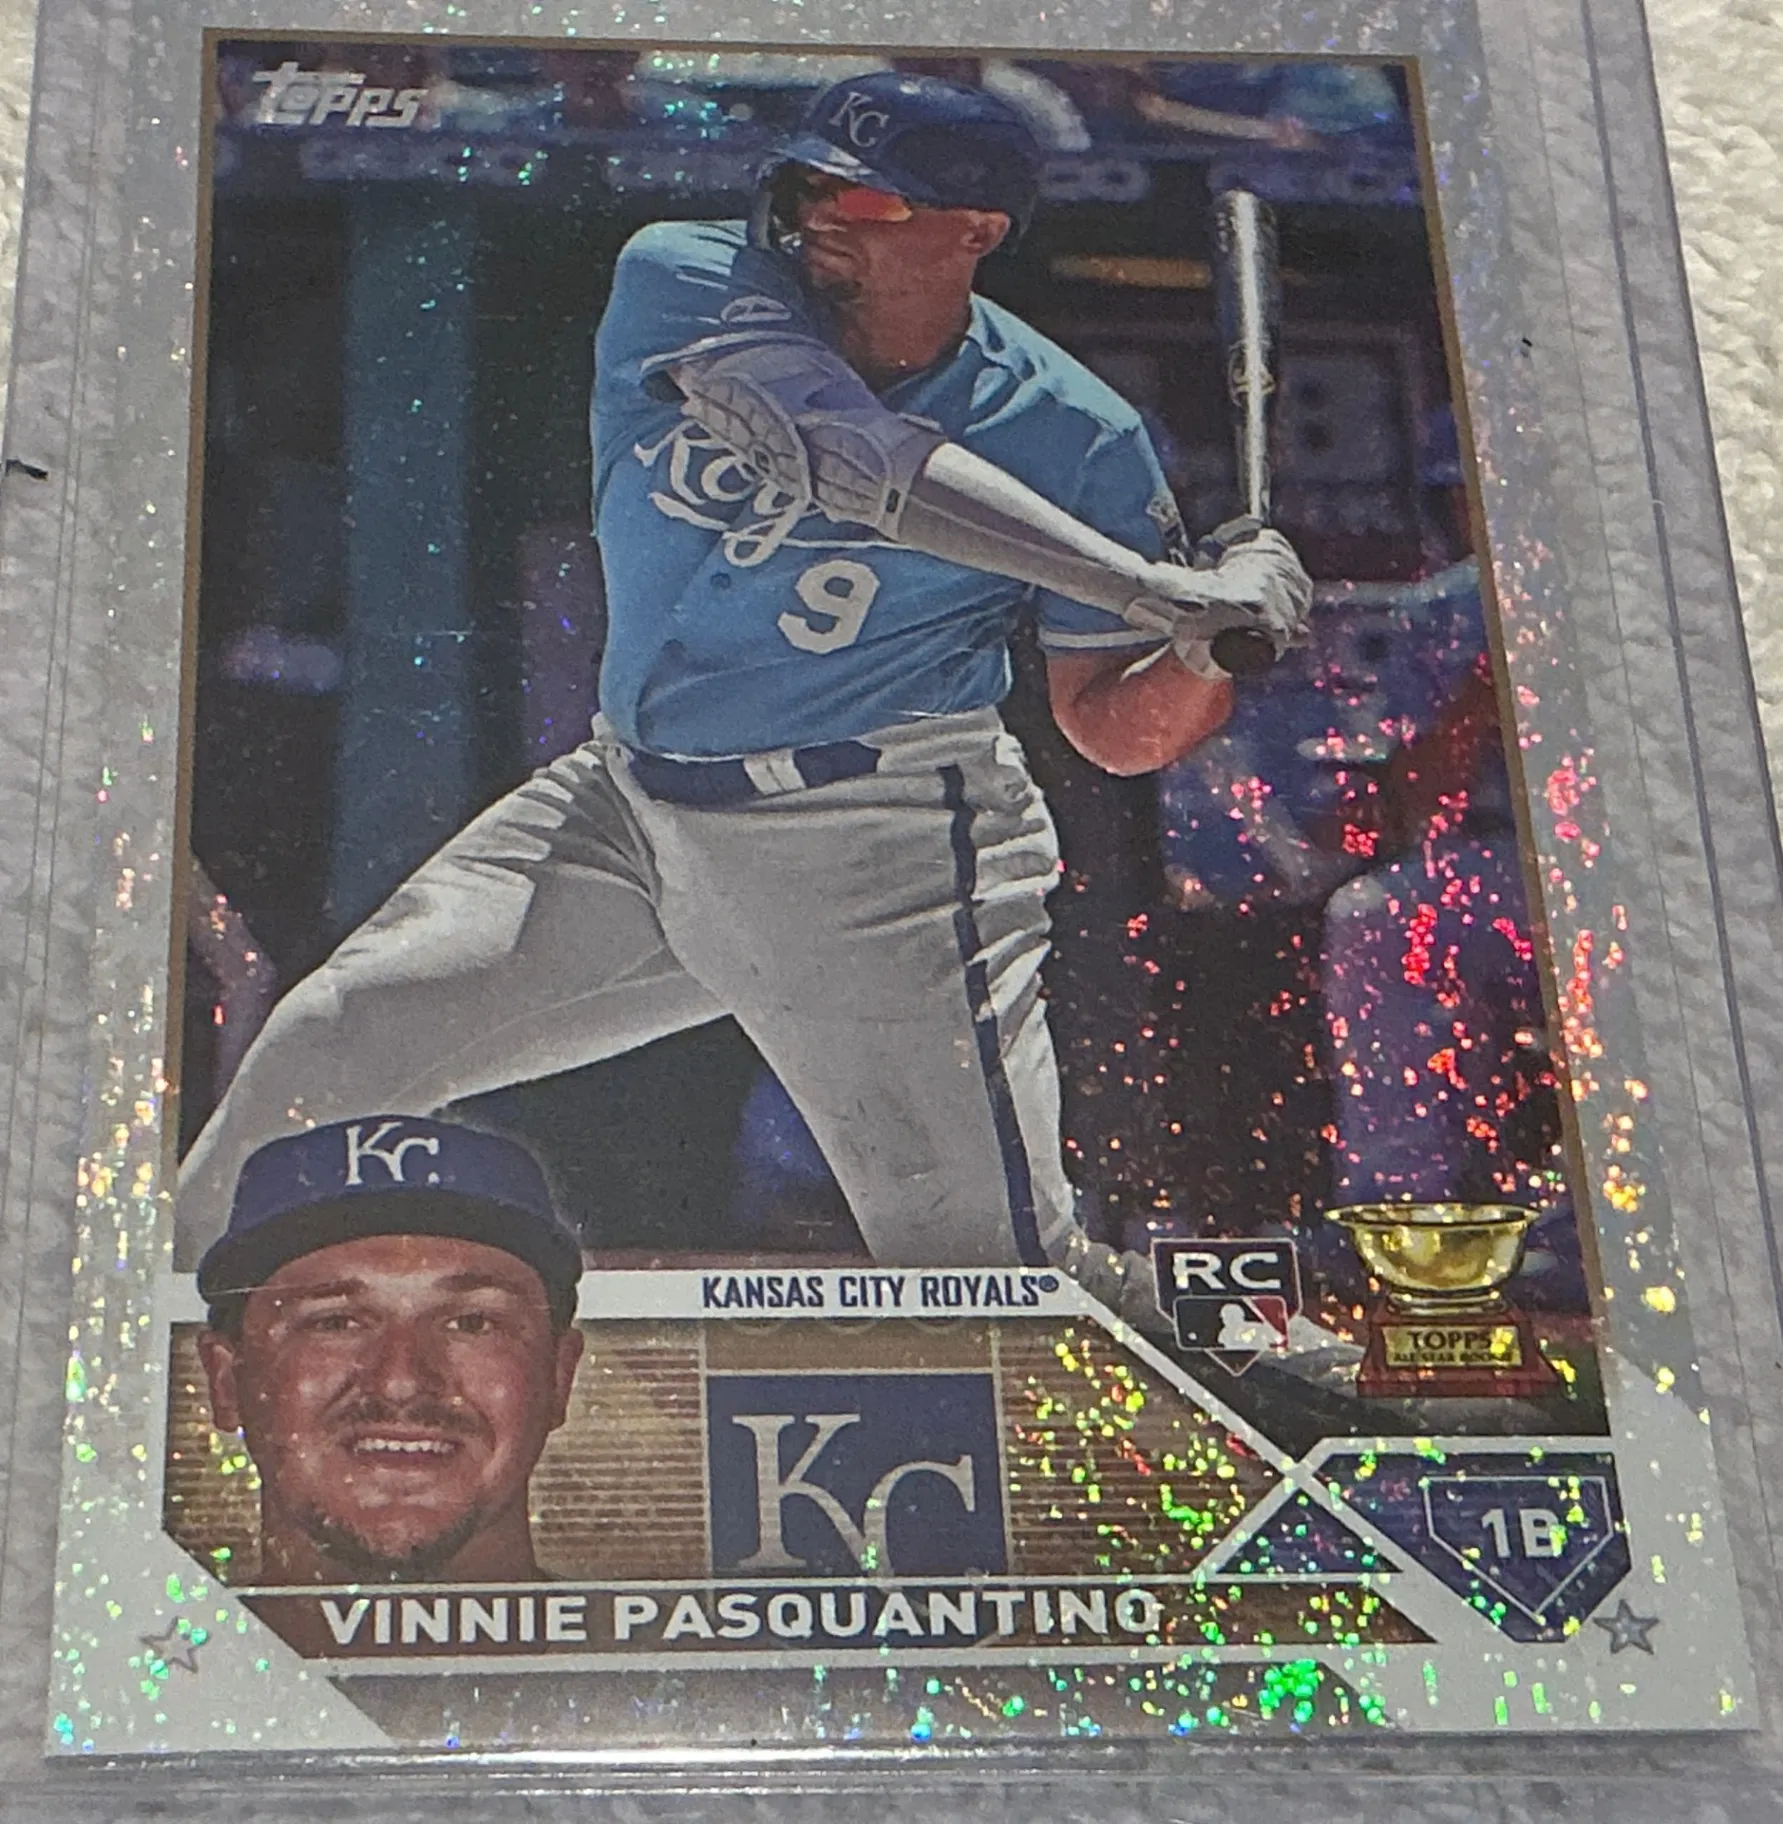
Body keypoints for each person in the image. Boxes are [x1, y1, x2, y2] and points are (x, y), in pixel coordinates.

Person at [177, 72, 1311, 1336]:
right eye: (807, 184)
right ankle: (135, 1353)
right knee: (335, 1039)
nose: (819, 214)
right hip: (627, 805)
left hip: (877, 843)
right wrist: (1156, 585)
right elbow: (846, 457)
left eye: (866, 200)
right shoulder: (692, 274)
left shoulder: (1073, 433)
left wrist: (1210, 644)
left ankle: (1265, 1375)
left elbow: (1112, 729)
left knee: (986, 1270)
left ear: (975, 230)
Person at [196, 1116, 585, 1583]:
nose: (401, 1382)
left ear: (559, 1377)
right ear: (226, 1382)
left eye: (471, 1323)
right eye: (335, 1323)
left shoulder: (649, 1634)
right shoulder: (138, 1633)